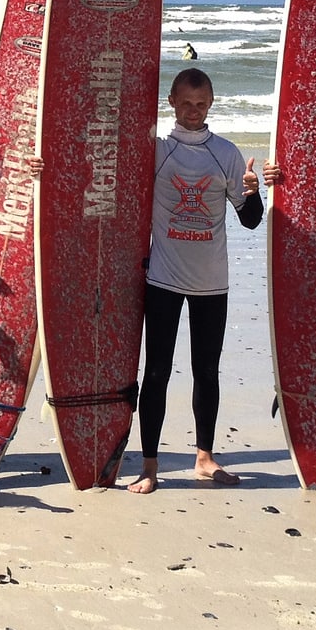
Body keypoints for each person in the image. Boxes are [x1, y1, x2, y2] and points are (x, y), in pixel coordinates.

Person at [127, 69, 262, 492]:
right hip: (163, 279)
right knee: (157, 372)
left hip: (211, 282)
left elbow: (252, 220)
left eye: (201, 104)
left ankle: (204, 457)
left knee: (207, 372)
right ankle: (149, 465)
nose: (193, 111)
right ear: (171, 100)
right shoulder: (156, 151)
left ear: (211, 103)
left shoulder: (226, 153)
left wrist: (255, 192)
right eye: (185, 103)